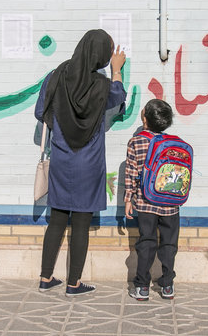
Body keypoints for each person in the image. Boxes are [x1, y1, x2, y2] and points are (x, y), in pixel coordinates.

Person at [35, 29, 127, 297]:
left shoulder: (56, 76)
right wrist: (116, 69)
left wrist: (62, 120)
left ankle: (45, 278)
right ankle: (74, 283)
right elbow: (119, 98)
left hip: (62, 158)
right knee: (81, 224)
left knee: (57, 220)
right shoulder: (101, 85)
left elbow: (40, 111)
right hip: (89, 162)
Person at [124, 99, 179, 301]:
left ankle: (142, 288)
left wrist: (128, 199)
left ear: (144, 119)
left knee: (146, 243)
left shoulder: (136, 142)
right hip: (171, 205)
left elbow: (130, 173)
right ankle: (167, 286)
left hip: (146, 202)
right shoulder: (174, 143)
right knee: (169, 244)